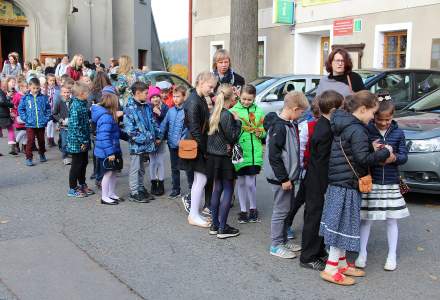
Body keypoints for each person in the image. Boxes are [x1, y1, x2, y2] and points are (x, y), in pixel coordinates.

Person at [319, 91, 392, 286]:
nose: (373, 117)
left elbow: (354, 152)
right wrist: (384, 152)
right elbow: (363, 159)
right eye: (372, 113)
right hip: (347, 185)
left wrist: (370, 148)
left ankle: (341, 263)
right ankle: (331, 268)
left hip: (339, 182)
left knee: (341, 225)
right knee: (341, 226)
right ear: (362, 109)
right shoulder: (358, 129)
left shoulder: (344, 124)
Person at [356, 95, 409, 271]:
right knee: (366, 219)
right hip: (373, 180)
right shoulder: (367, 130)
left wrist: (394, 158)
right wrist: (372, 150)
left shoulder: (398, 132)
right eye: (380, 119)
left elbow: (404, 156)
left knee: (391, 220)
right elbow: (361, 154)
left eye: (388, 119)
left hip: (391, 181)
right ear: (374, 116)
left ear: (393, 117)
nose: (384, 123)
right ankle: (362, 253)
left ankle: (391, 255)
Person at [299, 90, 344, 271]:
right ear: (333, 110)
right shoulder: (325, 130)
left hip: (315, 178)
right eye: (340, 109)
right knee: (314, 218)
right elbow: (323, 161)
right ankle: (307, 257)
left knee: (317, 217)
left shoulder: (323, 124)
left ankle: (317, 251)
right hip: (317, 180)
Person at [263, 91, 309, 259]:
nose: (301, 115)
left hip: (289, 178)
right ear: (294, 109)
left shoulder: (290, 124)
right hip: (281, 179)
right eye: (301, 112)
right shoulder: (279, 127)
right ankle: (276, 245)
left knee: (287, 208)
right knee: (281, 211)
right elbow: (274, 156)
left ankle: (282, 239)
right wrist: (283, 178)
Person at [180, 71, 217, 228]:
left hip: (198, 144)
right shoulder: (195, 101)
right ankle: (193, 214)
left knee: (199, 180)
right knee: (200, 180)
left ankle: (194, 213)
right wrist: (205, 149)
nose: (212, 90)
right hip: (197, 145)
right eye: (210, 86)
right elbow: (195, 129)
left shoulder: (198, 98)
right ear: (201, 82)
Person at [206, 84, 242, 238]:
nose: (236, 97)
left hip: (213, 157)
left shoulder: (214, 112)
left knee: (217, 189)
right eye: (234, 94)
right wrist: (238, 122)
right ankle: (222, 228)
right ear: (229, 97)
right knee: (228, 189)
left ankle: (214, 225)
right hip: (223, 157)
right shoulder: (227, 114)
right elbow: (232, 136)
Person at [230, 84, 266, 223]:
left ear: (254, 98)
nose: (246, 102)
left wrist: (261, 132)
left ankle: (253, 208)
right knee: (241, 182)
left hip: (254, 151)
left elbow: (264, 130)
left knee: (251, 182)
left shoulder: (259, 111)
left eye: (249, 100)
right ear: (239, 96)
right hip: (240, 151)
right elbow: (231, 130)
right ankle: (243, 210)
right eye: (244, 99)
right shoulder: (233, 111)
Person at [123, 81, 158, 203]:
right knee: (135, 167)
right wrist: (145, 138)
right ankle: (134, 192)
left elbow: (152, 122)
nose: (147, 95)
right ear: (137, 93)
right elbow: (130, 130)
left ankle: (140, 187)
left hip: (147, 145)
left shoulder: (147, 106)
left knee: (142, 167)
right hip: (137, 145)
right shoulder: (129, 108)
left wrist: (157, 134)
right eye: (145, 93)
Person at [160, 85, 194, 199]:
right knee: (174, 168)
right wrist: (159, 137)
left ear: (184, 97)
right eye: (173, 96)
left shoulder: (188, 111)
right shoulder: (170, 111)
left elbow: (190, 128)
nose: (175, 99)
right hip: (172, 144)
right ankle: (176, 189)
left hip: (183, 145)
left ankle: (192, 188)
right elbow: (164, 125)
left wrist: (184, 140)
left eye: (178, 96)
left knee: (188, 168)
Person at [91, 92, 123, 205]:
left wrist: (128, 137)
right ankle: (104, 197)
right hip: (106, 152)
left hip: (112, 149)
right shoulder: (106, 117)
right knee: (108, 173)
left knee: (113, 172)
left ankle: (111, 193)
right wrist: (110, 153)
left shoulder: (110, 116)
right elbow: (104, 137)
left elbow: (116, 132)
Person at [67, 81, 94, 197]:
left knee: (84, 162)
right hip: (77, 142)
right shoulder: (76, 106)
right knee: (76, 165)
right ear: (81, 94)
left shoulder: (82, 104)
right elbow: (75, 127)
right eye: (87, 93)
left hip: (84, 140)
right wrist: (82, 141)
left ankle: (82, 184)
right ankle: (72, 188)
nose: (89, 95)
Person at [18, 77, 51, 166]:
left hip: (41, 124)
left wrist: (46, 118)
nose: (35, 90)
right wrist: (25, 118)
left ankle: (42, 153)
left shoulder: (43, 98)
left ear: (39, 87)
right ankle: (29, 158)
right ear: (29, 87)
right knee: (30, 141)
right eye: (33, 88)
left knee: (41, 141)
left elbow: (48, 109)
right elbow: (21, 109)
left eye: (37, 88)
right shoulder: (25, 98)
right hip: (30, 124)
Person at [148, 86, 168, 196]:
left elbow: (166, 122)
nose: (155, 99)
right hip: (151, 140)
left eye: (157, 96)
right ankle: (153, 182)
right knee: (152, 162)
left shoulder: (164, 107)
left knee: (160, 161)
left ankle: (161, 183)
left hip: (161, 139)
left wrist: (160, 113)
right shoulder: (147, 108)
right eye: (153, 97)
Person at [53, 81, 73, 165]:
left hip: (72, 125)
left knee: (71, 141)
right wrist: (60, 120)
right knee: (64, 142)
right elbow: (54, 113)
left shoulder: (73, 101)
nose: (66, 94)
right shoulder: (59, 102)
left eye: (68, 92)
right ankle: (65, 156)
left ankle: (70, 152)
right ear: (61, 93)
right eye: (64, 92)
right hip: (63, 126)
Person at [12, 79, 28, 153]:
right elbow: (13, 104)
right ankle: (16, 142)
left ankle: (24, 146)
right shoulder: (17, 95)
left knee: (26, 131)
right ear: (21, 88)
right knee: (23, 130)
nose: (27, 88)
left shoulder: (26, 95)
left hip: (27, 115)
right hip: (20, 116)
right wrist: (15, 111)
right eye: (26, 87)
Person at [2, 77, 18, 154]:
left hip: (13, 112)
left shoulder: (15, 92)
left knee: (12, 128)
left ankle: (13, 147)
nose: (13, 83)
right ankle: (14, 145)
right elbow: (4, 102)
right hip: (5, 113)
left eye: (14, 82)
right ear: (7, 82)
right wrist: (8, 96)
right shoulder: (4, 92)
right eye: (12, 82)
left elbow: (16, 102)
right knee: (10, 128)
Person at [46, 73, 60, 147]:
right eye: (50, 80)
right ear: (47, 81)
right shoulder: (45, 89)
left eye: (53, 80)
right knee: (49, 124)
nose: (52, 82)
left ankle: (52, 139)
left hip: (55, 109)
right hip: (48, 109)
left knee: (54, 124)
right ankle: (49, 139)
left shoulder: (57, 89)